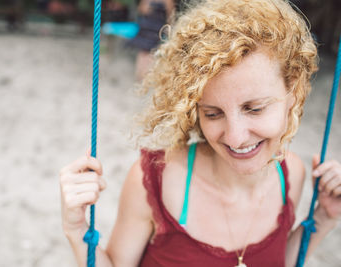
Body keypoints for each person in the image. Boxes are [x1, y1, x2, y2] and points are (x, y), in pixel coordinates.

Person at [59, 0, 341, 266]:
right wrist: (76, 228)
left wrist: (324, 218)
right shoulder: (154, 181)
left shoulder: (291, 174)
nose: (235, 137)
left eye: (254, 109)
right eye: (213, 113)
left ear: (294, 92)